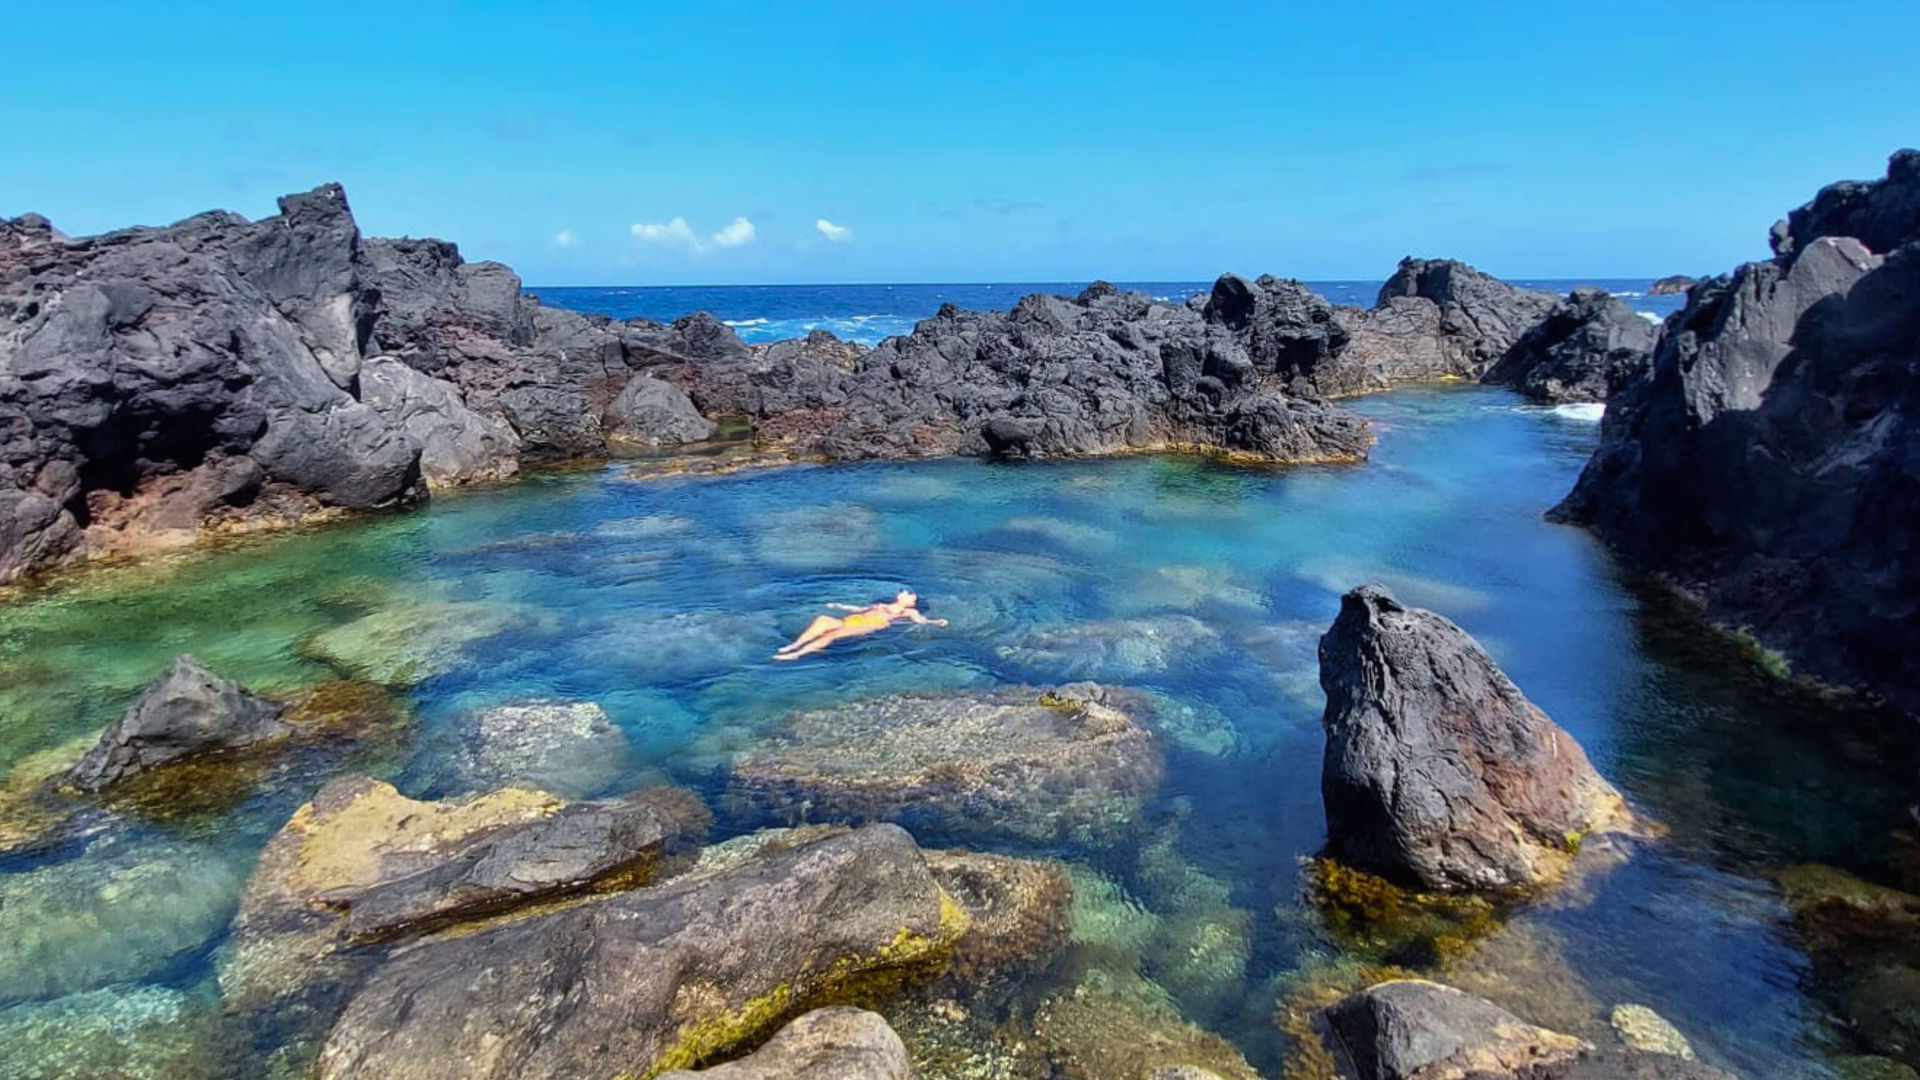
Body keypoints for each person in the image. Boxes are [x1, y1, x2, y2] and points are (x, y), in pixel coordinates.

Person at [773, 589, 947, 660]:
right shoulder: (881, 604)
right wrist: (839, 605)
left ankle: (798, 654)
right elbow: (858, 608)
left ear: (911, 601)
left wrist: (936, 622)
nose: (904, 593)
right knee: (823, 620)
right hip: (855, 619)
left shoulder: (908, 612)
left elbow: (920, 621)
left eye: (909, 594)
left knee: (832, 634)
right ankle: (795, 645)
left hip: (873, 624)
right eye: (905, 592)